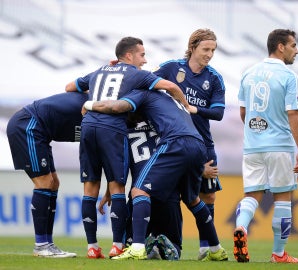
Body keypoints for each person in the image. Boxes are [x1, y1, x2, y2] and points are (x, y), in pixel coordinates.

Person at [65, 36, 188, 259]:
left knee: (89, 189)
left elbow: (70, 87)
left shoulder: (98, 71)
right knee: (117, 188)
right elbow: (169, 86)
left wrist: (92, 100)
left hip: (88, 126)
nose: (144, 60)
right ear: (129, 55)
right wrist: (187, 108)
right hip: (112, 129)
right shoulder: (135, 74)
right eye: (142, 55)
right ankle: (116, 245)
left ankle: (92, 246)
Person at [82, 89, 228, 261]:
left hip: (142, 204)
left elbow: (120, 170)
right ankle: (215, 248)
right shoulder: (164, 118)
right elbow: (177, 157)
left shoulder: (124, 132)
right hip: (173, 193)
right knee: (193, 200)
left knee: (138, 192)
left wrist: (109, 192)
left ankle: (139, 246)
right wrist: (200, 169)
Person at [233, 29, 298, 263]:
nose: (297, 50)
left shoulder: (248, 73)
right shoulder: (288, 75)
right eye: (293, 45)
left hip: (252, 146)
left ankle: (242, 228)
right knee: (283, 198)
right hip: (280, 145)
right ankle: (278, 253)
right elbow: (293, 113)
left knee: (251, 195)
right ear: (280, 47)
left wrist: (257, 132)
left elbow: (243, 112)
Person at [153, 28, 225, 259]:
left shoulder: (213, 78)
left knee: (209, 196)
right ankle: (172, 244)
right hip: (172, 143)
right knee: (173, 197)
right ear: (192, 47)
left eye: (213, 50)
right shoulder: (171, 68)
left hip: (203, 145)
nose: (210, 54)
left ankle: (206, 246)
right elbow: (147, 82)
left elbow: (218, 113)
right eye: (206, 49)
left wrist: (194, 108)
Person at [6, 91, 88, 258]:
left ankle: (48, 244)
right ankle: (41, 245)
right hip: (28, 125)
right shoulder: (98, 105)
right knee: (44, 182)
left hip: (41, 132)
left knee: (53, 183)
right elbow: (72, 86)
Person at [99, 112, 182, 260]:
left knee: (128, 245)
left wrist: (108, 191)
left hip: (140, 200)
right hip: (168, 197)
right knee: (174, 246)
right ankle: (165, 245)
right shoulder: (165, 130)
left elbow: (119, 174)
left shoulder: (125, 133)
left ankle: (142, 244)